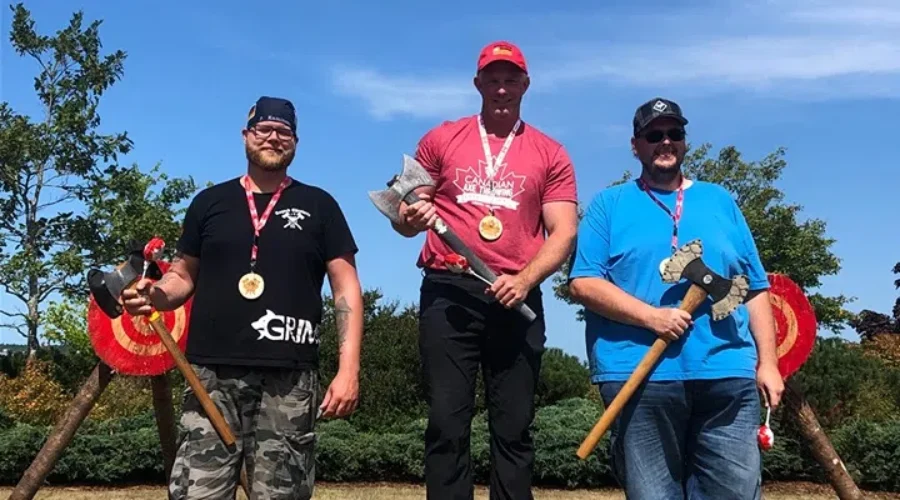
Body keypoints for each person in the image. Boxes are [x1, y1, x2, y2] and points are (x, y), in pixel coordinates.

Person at [122, 96, 364, 500]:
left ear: (296, 141)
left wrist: (349, 369)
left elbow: (346, 288)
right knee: (196, 494)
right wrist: (157, 295)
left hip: (289, 379)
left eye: (283, 131)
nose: (273, 137)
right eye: (263, 129)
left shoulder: (320, 206)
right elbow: (183, 275)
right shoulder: (209, 204)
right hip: (211, 377)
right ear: (246, 136)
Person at [566, 97, 785, 499]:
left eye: (674, 134)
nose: (665, 142)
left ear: (684, 142)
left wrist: (768, 363)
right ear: (636, 145)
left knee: (734, 493)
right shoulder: (608, 205)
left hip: (727, 372)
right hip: (638, 376)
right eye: (654, 135)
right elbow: (583, 283)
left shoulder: (721, 201)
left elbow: (754, 288)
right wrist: (652, 318)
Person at [390, 41, 579, 499]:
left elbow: (564, 233)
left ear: (525, 85)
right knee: (447, 421)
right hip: (449, 293)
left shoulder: (550, 153)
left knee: (513, 426)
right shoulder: (441, 139)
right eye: (492, 79)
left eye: (510, 79)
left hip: (516, 294)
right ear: (477, 84)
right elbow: (405, 214)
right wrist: (407, 216)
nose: (501, 88)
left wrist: (526, 280)